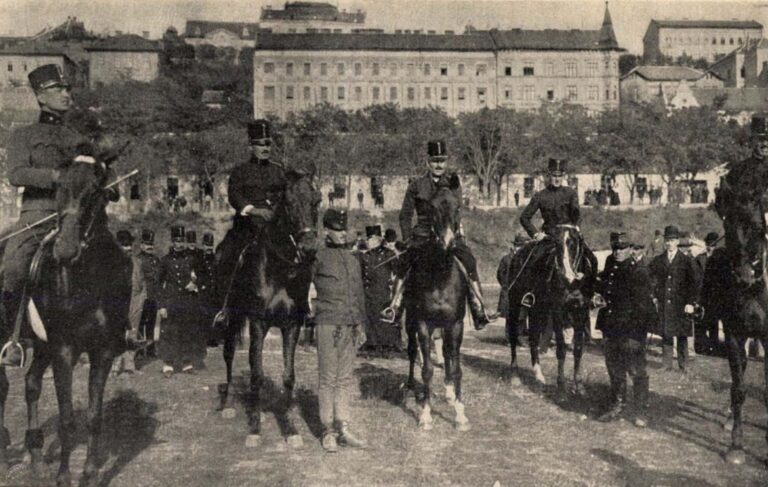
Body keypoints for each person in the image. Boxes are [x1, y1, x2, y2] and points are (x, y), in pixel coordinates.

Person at [1, 64, 121, 367]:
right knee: (14, 268)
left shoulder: (79, 138)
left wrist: (104, 179)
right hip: (39, 215)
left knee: (119, 262)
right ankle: (15, 340)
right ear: (41, 96)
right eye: (58, 89)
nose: (66, 94)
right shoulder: (23, 135)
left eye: (67, 89)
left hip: (79, 218)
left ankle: (118, 330)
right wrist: (57, 176)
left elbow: (98, 170)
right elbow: (16, 174)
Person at [381, 140, 497, 330]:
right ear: (428, 162)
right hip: (423, 235)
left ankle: (479, 309)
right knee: (404, 264)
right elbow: (405, 215)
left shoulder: (453, 184)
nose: (438, 165)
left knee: (469, 261)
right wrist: (409, 238)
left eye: (442, 161)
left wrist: (457, 232)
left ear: (446, 162)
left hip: (449, 235)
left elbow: (457, 211)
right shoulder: (417, 186)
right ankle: (395, 307)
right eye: (435, 160)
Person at [216, 119, 286, 308]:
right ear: (251, 146)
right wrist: (254, 210)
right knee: (226, 255)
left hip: (274, 229)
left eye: (268, 144)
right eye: (260, 144)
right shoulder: (240, 171)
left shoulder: (279, 171)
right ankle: (223, 308)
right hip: (247, 229)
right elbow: (234, 195)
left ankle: (303, 307)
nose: (265, 148)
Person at [313, 209, 367, 452]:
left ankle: (342, 426)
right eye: (337, 230)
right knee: (328, 378)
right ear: (326, 231)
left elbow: (359, 295)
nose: (343, 234)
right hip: (328, 323)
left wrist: (361, 325)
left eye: (345, 229)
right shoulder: (318, 257)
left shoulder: (353, 259)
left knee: (345, 378)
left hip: (350, 324)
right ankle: (327, 431)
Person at [594, 232, 655, 426]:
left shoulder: (638, 272)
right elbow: (604, 286)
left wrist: (635, 333)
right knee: (614, 367)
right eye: (615, 248)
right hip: (611, 327)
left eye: (622, 248)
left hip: (631, 329)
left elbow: (643, 306)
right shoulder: (611, 268)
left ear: (631, 249)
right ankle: (617, 405)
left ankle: (640, 410)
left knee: (636, 369)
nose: (618, 251)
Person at [648, 225, 701, 373]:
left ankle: (683, 365)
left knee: (682, 334)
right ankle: (666, 364)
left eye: (672, 240)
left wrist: (691, 302)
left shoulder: (686, 260)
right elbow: (650, 277)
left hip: (682, 304)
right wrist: (653, 294)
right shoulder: (658, 260)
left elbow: (695, 283)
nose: (669, 243)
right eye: (667, 240)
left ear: (677, 241)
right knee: (666, 333)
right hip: (665, 303)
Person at [157, 225, 200, 377]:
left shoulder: (191, 259)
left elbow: (200, 277)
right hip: (171, 302)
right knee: (169, 332)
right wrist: (161, 306)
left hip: (187, 302)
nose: (179, 244)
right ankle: (168, 365)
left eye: (182, 241)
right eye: (176, 241)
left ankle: (186, 363)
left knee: (187, 331)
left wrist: (195, 284)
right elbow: (158, 284)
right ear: (172, 242)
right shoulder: (165, 260)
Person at [359, 225, 400, 357]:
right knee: (370, 318)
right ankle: (372, 345)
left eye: (370, 238)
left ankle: (386, 347)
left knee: (384, 319)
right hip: (368, 292)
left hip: (383, 292)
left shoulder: (388, 254)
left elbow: (398, 272)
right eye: (367, 238)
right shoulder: (365, 256)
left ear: (377, 239)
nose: (367, 241)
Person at [112, 230, 146, 376]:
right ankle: (115, 364)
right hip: (117, 303)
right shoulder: (111, 263)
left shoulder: (137, 262)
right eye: (124, 245)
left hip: (135, 301)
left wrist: (142, 300)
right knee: (117, 332)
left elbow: (143, 283)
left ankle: (130, 364)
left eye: (129, 245)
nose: (128, 248)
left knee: (133, 332)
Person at [498, 233, 530, 347]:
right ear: (516, 246)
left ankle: (519, 337)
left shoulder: (525, 260)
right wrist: (506, 286)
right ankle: (509, 339)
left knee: (521, 315)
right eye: (520, 246)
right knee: (510, 315)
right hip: (508, 290)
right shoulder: (506, 259)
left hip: (521, 291)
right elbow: (500, 274)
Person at [695, 232, 721, 355]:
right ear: (706, 245)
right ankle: (701, 347)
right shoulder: (700, 259)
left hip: (715, 295)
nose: (711, 247)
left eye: (714, 245)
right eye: (709, 245)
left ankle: (714, 348)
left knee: (713, 323)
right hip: (701, 295)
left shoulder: (721, 260)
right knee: (700, 321)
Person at [138, 228, 161, 356]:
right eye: (147, 244)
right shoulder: (137, 259)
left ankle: (151, 349)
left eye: (151, 244)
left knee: (152, 322)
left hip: (153, 296)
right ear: (141, 245)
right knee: (140, 322)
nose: (149, 247)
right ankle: (141, 350)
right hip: (142, 296)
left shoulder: (156, 260)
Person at [198, 232, 218, 348]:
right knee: (202, 314)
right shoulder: (199, 259)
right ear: (203, 245)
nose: (209, 248)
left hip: (213, 290)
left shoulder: (215, 258)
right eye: (206, 245)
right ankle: (202, 338)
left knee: (212, 314)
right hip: (202, 290)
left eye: (210, 246)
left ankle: (212, 338)